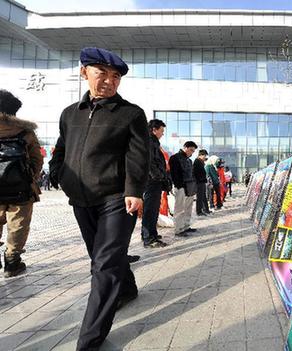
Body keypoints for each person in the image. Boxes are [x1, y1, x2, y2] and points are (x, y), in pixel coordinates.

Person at [48, 47, 149, 351]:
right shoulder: (70, 113)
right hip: (81, 198)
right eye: (101, 73)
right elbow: (62, 148)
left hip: (117, 198)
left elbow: (138, 156)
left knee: (103, 266)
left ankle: (89, 341)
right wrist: (58, 172)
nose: (109, 80)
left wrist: (134, 191)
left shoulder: (131, 113)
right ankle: (127, 288)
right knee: (101, 256)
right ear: (84, 73)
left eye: (115, 76)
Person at [0, 89, 43, 277]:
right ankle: (12, 262)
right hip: (21, 188)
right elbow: (36, 159)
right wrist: (29, 176)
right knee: (18, 223)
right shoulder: (25, 132)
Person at [141, 119, 171, 248]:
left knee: (153, 209)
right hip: (152, 181)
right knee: (150, 209)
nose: (162, 134)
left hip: (154, 181)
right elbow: (150, 162)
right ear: (154, 129)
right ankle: (149, 239)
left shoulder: (153, 142)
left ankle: (151, 234)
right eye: (161, 131)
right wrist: (158, 176)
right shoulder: (149, 142)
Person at [169, 141, 198, 236]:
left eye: (193, 151)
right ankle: (178, 229)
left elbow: (192, 174)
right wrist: (178, 186)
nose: (192, 153)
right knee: (179, 208)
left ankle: (186, 226)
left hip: (190, 187)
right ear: (185, 147)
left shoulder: (189, 160)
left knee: (188, 208)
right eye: (191, 150)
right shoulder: (175, 158)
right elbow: (173, 174)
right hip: (180, 186)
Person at [193, 149, 211, 216]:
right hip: (199, 182)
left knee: (203, 197)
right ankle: (199, 211)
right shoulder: (197, 162)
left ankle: (206, 209)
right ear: (201, 155)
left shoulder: (200, 161)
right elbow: (196, 173)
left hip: (202, 181)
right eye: (204, 155)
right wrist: (200, 179)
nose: (205, 157)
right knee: (200, 197)